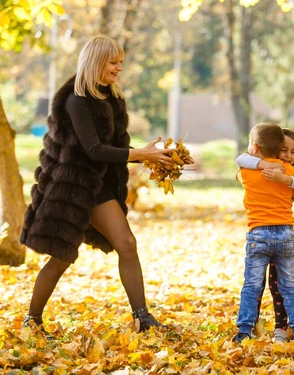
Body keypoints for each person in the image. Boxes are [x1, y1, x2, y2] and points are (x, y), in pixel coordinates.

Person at [20, 35, 191, 333]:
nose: (119, 68)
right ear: (96, 62)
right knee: (62, 257)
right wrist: (141, 153)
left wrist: (154, 157)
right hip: (74, 187)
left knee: (125, 243)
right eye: (113, 62)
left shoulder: (111, 97)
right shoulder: (76, 100)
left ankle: (142, 318)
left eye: (120, 62)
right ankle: (32, 320)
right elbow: (94, 151)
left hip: (101, 184)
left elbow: (114, 148)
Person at [236, 128, 294, 342]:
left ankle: (244, 331)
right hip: (285, 235)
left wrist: (264, 164)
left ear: (255, 148)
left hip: (258, 234)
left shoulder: (245, 171)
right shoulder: (289, 171)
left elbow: (241, 159)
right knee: (290, 285)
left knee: (251, 285)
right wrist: (282, 175)